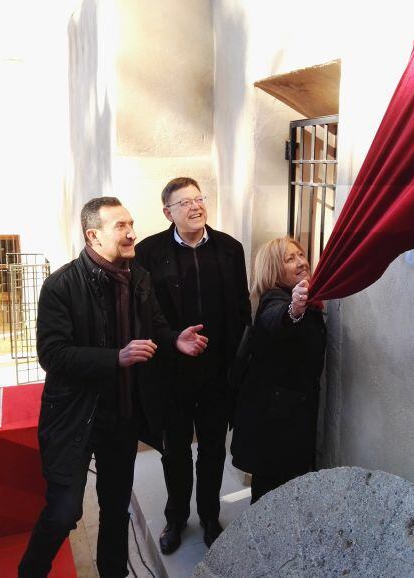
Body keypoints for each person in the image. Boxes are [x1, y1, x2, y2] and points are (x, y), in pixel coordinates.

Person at [18, 197, 208, 578]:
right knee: (64, 511)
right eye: (120, 226)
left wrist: (174, 340)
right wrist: (115, 358)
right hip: (74, 416)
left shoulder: (137, 276)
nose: (131, 233)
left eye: (131, 223)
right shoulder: (61, 285)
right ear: (93, 235)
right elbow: (52, 355)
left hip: (122, 416)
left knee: (116, 507)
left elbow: (153, 325)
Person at [135, 177, 251, 552]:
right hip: (171, 374)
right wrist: (171, 342)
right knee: (177, 450)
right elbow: (144, 315)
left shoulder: (229, 249)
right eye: (183, 202)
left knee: (215, 448)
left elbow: (239, 310)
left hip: (217, 373)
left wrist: (237, 364)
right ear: (167, 212)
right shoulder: (148, 253)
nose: (194, 206)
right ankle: (176, 517)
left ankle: (209, 515)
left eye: (198, 198)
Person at [230, 237, 326, 503]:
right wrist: (294, 309)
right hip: (274, 427)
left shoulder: (310, 299)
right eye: (289, 259)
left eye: (301, 254)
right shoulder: (274, 300)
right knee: (269, 497)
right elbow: (277, 318)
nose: (301, 262)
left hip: (288, 420)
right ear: (274, 270)